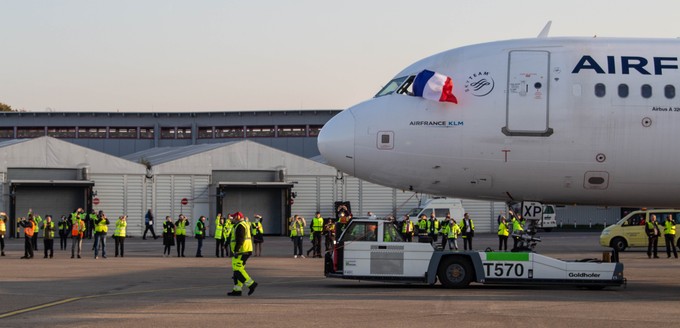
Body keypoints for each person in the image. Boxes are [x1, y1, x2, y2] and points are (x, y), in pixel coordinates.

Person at [227, 212, 258, 296]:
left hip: (242, 250)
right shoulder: (242, 224)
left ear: (238, 217)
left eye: (234, 217)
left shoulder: (240, 225)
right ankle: (237, 290)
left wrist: (236, 250)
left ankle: (251, 284)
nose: (232, 219)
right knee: (236, 270)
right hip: (243, 250)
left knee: (238, 270)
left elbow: (240, 239)